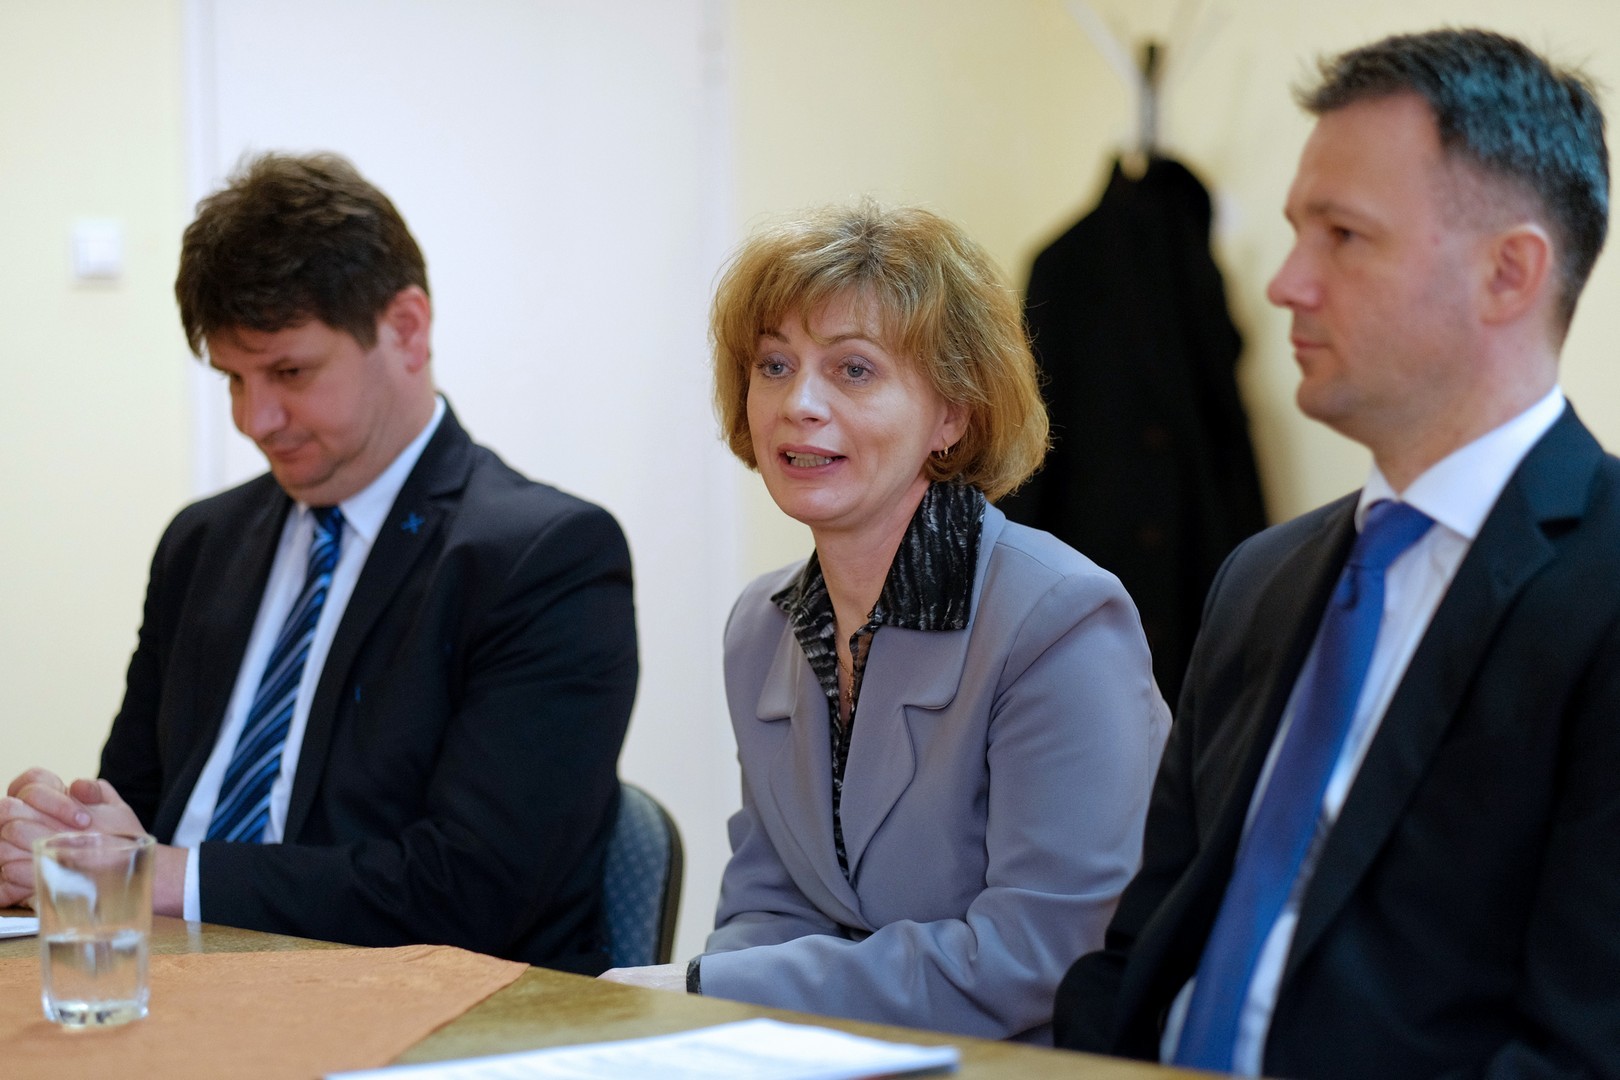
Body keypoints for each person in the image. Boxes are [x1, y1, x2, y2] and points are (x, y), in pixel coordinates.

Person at [1054, 28, 1620, 1078]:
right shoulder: (1260, 580)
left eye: (1344, 236)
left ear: (1509, 273)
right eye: (1294, 233)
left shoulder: (1603, 585)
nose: (1285, 284)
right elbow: (1132, 958)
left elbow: (1585, 1049)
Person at [0, 152, 638, 974]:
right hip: (163, 988)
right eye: (233, 379)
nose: (255, 419)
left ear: (406, 329)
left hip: (413, 1008)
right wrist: (65, 841)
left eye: (289, 372)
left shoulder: (543, 558)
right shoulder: (201, 543)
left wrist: (163, 877)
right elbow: (136, 816)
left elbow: (473, 889)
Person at [602, 202, 1169, 1041]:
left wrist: (703, 985)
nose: (800, 402)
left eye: (854, 370)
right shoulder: (759, 629)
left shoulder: (1059, 621)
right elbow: (770, 906)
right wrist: (719, 1009)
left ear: (952, 414)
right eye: (774, 365)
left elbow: (1038, 957)